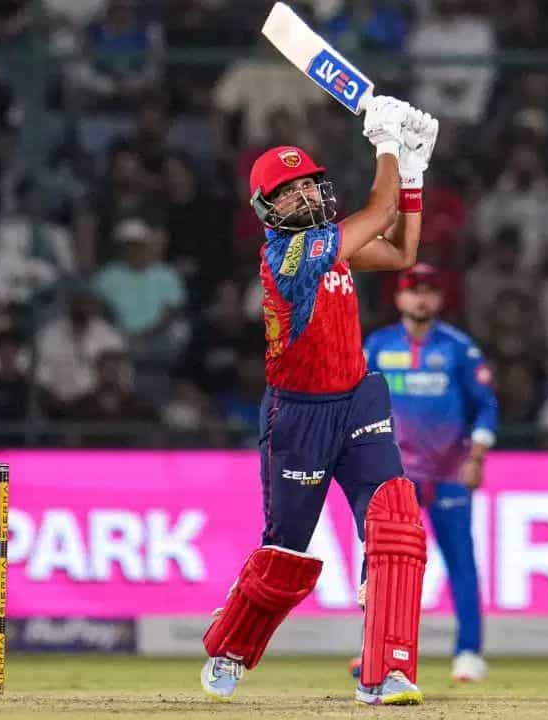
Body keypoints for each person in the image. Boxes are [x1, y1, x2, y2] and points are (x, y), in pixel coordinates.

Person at [199, 97, 439, 706]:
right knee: (285, 552)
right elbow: (380, 212)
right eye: (289, 191)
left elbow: (402, 252)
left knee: (395, 523)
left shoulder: (331, 241)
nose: (304, 194)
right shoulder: (291, 257)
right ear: (267, 209)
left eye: (308, 183)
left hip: (356, 400)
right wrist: (388, 144)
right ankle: (231, 644)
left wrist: (412, 174)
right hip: (298, 416)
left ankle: (387, 671)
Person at [356, 263, 499, 683]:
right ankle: (374, 650)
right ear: (398, 298)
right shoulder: (377, 346)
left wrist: (476, 457)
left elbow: (486, 405)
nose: (421, 298)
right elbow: (356, 401)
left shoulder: (459, 349)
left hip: (449, 472)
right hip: (395, 474)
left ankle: (469, 652)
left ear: (439, 298)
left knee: (461, 562)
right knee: (383, 563)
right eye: (413, 290)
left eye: (429, 291)